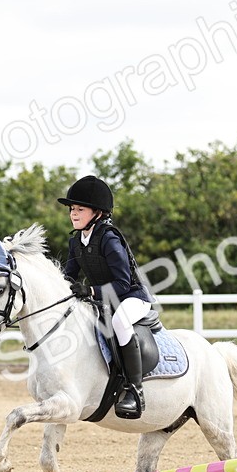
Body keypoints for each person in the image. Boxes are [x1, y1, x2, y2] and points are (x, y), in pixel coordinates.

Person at [59, 175, 152, 419]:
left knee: (120, 322)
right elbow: (68, 277)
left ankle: (135, 390)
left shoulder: (109, 239)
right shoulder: (76, 241)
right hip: (104, 300)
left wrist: (89, 291)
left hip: (131, 298)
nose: (73, 214)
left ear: (98, 213)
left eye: (80, 209)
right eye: (71, 209)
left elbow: (122, 283)